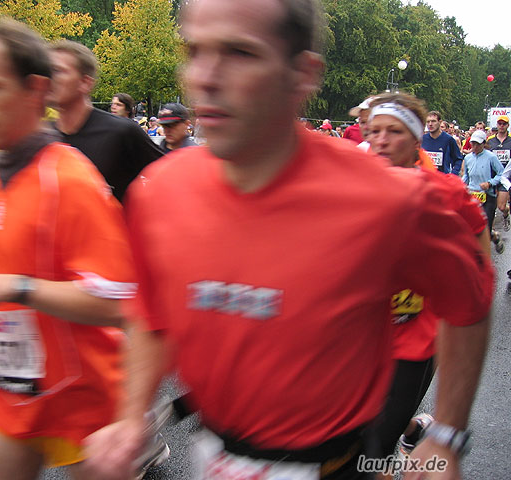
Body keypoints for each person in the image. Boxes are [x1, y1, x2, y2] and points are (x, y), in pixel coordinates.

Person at [82, 1, 493, 480]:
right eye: (194, 50)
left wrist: (446, 435)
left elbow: (470, 302)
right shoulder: (161, 190)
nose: (205, 77)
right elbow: (153, 317)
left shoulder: (388, 198)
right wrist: (132, 417)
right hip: (213, 456)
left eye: (239, 52)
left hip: (338, 462)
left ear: (303, 74)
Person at [0, 18, 150, 479]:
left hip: (83, 398)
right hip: (11, 394)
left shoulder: (68, 178)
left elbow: (119, 302)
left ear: (34, 90)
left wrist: (7, 286)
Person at [365, 92, 491, 474]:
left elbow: (480, 259)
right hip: (357, 338)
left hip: (414, 341)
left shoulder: (445, 192)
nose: (382, 140)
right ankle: (415, 428)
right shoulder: (349, 188)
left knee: (373, 444)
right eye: (375, 131)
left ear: (417, 141)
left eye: (394, 131)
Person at [47, 40, 162, 202]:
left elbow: (172, 177)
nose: (48, 79)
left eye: (57, 71)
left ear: (85, 83)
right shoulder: (42, 136)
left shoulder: (121, 132)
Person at [463, 129, 505, 253]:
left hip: (488, 196)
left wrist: (490, 183)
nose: (474, 146)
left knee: (485, 228)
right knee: (472, 226)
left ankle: (482, 259)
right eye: (473, 143)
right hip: (473, 194)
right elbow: (466, 175)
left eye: (477, 144)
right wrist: (462, 184)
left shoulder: (491, 157)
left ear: (483, 144)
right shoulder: (468, 158)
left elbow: (501, 173)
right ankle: (494, 237)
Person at [486, 115, 511, 232]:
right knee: (491, 207)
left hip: (505, 177)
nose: (501, 126)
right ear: (497, 125)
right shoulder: (490, 141)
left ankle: (506, 214)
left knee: (501, 206)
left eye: (504, 124)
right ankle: (491, 230)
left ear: (507, 126)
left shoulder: (510, 141)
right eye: (499, 124)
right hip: (492, 176)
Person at [421, 110, 463, 175]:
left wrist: (453, 174)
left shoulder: (449, 139)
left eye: (433, 121)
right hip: (425, 180)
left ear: (440, 122)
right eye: (428, 122)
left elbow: (458, 159)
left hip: (441, 180)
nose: (430, 124)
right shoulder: (422, 139)